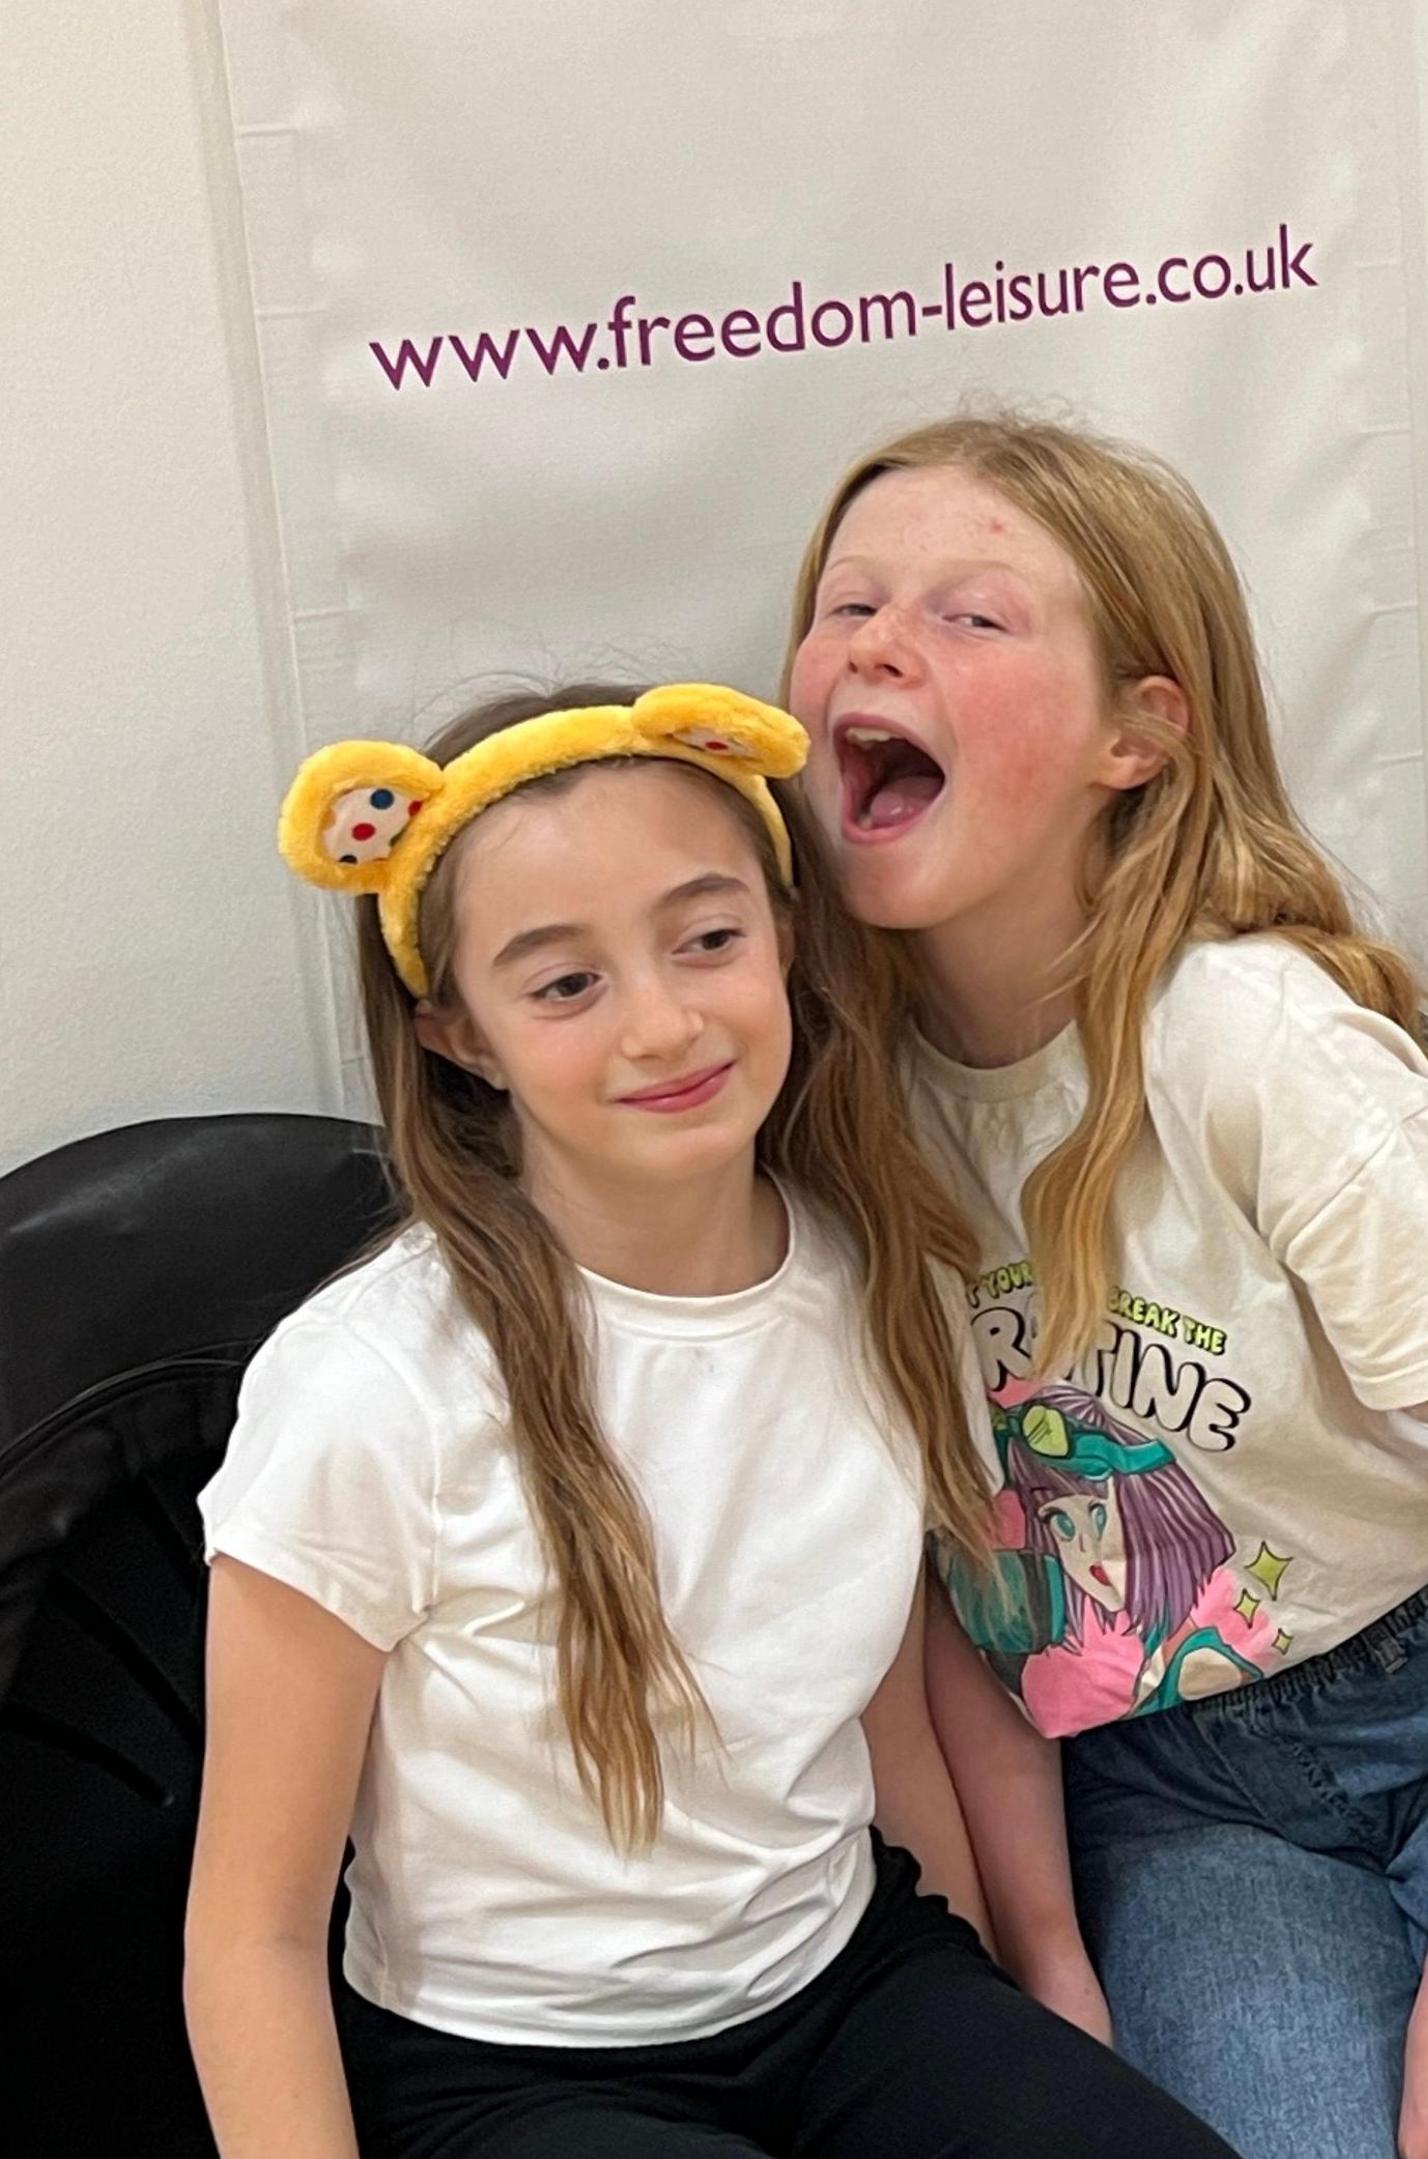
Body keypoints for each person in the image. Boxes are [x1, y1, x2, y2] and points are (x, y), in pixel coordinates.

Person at [778, 415, 1428, 2159]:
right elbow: (966, 1604)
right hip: (1168, 1790)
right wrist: (1044, 1956)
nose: (877, 643)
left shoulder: (1253, 1050)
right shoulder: (832, 1115)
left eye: (972, 617)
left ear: (1138, 739)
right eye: (847, 603)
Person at [188, 684, 1234, 2159]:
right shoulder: (370, 1393)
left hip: (847, 1978)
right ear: (459, 1034)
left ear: (786, 938)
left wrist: (1006, 2003)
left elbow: (879, 1708)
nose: (665, 1021)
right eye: (564, 984)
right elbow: (251, 1939)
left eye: (707, 938)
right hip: (514, 2073)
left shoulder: (875, 1281)